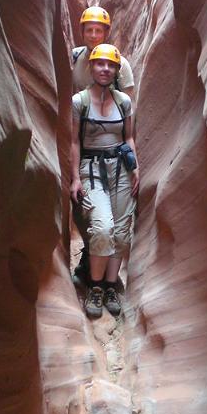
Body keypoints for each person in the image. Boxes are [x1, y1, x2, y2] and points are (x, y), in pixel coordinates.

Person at [70, 44, 139, 318]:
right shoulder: (80, 102)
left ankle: (111, 286)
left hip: (121, 167)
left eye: (110, 65)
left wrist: (136, 168)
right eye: (100, 64)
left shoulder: (124, 101)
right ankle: (95, 287)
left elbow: (129, 137)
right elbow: (74, 141)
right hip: (92, 168)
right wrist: (75, 177)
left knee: (122, 232)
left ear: (116, 71)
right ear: (91, 67)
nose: (105, 69)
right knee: (102, 228)